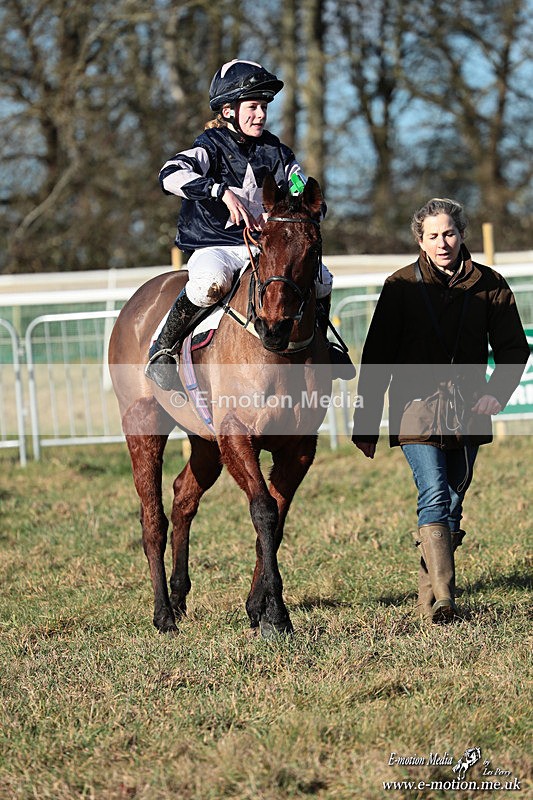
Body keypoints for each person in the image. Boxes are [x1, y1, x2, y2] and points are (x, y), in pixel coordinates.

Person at [351, 198, 529, 623]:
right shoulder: (401, 286)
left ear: (462, 234)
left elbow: (513, 348)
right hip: (415, 408)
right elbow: (377, 357)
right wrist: (365, 422)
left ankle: (429, 598)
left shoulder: (490, 283)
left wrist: (496, 393)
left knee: (452, 500)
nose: (442, 242)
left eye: (449, 233)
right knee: (433, 492)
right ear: (420, 240)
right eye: (433, 235)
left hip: (469, 407)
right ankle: (446, 599)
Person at [146, 58, 355, 390]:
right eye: (253, 106)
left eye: (264, 107)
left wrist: (308, 209)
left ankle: (324, 345)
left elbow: (300, 186)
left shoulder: (277, 152)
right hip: (214, 246)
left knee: (322, 277)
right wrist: (219, 191)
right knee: (211, 282)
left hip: (263, 248)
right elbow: (169, 175)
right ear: (228, 110)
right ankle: (164, 349)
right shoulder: (208, 147)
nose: (261, 114)